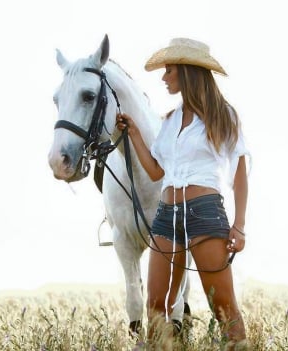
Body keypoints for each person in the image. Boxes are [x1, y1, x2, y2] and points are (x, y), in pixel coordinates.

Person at [116, 37, 250, 349]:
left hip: (205, 211)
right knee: (156, 306)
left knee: (224, 308)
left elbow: (240, 172)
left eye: (169, 71)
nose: (164, 78)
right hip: (166, 216)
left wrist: (240, 224)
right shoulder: (170, 121)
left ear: (187, 72)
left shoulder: (222, 115)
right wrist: (134, 132)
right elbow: (155, 171)